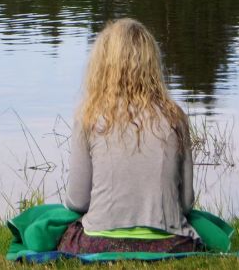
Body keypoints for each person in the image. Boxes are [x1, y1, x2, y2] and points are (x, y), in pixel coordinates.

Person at [57, 18, 202, 254]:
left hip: (99, 240)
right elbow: (186, 204)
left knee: (47, 223)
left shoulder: (89, 117)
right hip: (170, 241)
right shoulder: (175, 117)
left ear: (103, 65)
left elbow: (78, 201)